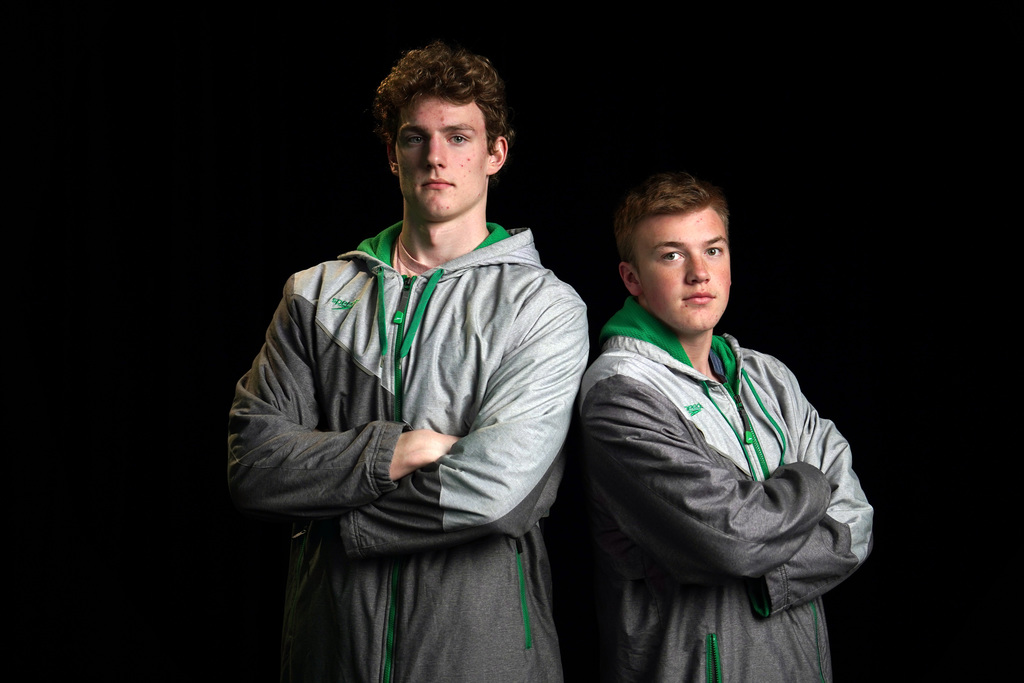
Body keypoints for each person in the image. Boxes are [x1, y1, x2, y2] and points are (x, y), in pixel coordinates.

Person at [227, 41, 588, 682]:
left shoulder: (545, 306)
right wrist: (399, 451)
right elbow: (253, 466)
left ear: (495, 153)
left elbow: (499, 495)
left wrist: (339, 523)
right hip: (331, 653)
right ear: (393, 154)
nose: (437, 157)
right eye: (415, 137)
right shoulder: (314, 294)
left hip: (483, 657)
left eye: (458, 136)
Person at [577, 171, 873, 681]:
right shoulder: (619, 394)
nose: (699, 273)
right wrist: (810, 479)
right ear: (632, 279)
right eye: (671, 255)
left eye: (712, 250)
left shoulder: (767, 375)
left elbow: (856, 522)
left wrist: (762, 566)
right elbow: (734, 540)